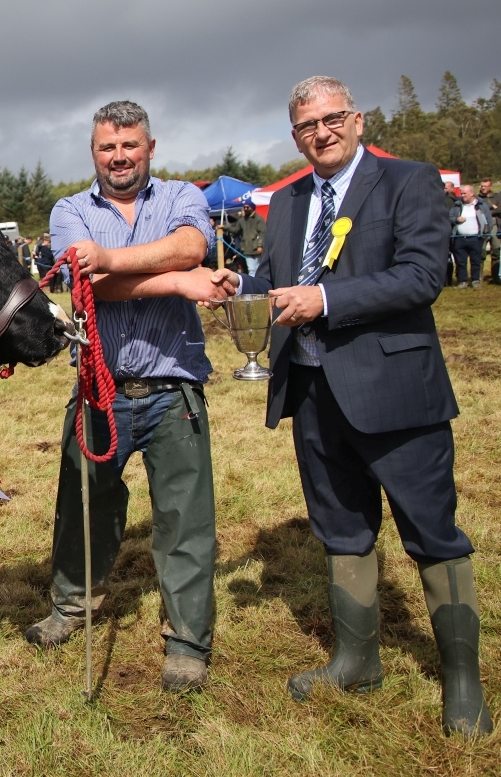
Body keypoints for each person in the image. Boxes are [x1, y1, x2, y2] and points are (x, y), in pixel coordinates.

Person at [209, 76, 491, 737]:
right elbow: (280, 280)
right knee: (341, 531)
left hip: (398, 397)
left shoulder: (408, 181)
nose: (322, 133)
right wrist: (240, 285)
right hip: (311, 394)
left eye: (333, 119)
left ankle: (461, 683)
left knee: (433, 535)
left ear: (357, 120)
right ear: (296, 135)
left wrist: (327, 301)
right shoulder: (289, 200)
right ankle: (357, 660)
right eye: (308, 125)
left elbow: (424, 275)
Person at [24, 100, 234, 694]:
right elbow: (92, 284)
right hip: (100, 388)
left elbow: (191, 245)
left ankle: (188, 640)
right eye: (107, 148)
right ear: (94, 153)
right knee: (82, 508)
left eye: (130, 146)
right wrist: (176, 281)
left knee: (184, 521)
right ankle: (72, 607)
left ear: (150, 147)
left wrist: (117, 260)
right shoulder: (69, 211)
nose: (119, 157)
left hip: (175, 388)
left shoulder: (181, 199)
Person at [450, 184, 489, 288]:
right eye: (461, 193)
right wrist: (456, 220)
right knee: (460, 262)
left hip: (476, 238)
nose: (462, 195)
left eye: (465, 193)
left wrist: (485, 234)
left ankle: (475, 280)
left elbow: (488, 220)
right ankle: (462, 281)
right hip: (460, 239)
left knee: (476, 261)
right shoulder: (457, 205)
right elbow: (450, 217)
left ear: (472, 193)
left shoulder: (481, 205)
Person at [228, 202, 266, 276]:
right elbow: (236, 230)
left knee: (258, 268)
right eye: (244, 207)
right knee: (251, 269)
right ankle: (253, 285)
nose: (245, 209)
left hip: (257, 248)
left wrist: (260, 245)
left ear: (252, 208)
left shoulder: (259, 219)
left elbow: (262, 232)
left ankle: (260, 284)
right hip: (247, 248)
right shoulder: (242, 220)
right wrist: (224, 227)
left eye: (247, 207)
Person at [476, 178, 499, 283]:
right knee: (481, 251)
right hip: (482, 227)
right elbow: (478, 211)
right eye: (482, 186)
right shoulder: (477, 198)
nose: (483, 188)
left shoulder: (497, 197)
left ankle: (496, 277)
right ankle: (478, 278)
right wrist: (491, 208)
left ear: (490, 187)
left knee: (496, 251)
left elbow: (500, 209)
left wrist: (487, 211)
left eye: (485, 186)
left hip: (495, 226)